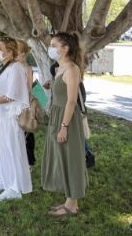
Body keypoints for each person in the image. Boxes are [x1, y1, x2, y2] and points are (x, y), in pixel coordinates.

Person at [41, 32, 88, 217]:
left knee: (71, 159)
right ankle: (69, 201)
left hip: (67, 119)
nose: (50, 48)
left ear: (65, 48)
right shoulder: (59, 68)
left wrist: (64, 126)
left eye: (54, 45)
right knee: (62, 157)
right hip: (57, 116)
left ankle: (73, 205)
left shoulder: (72, 69)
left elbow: (71, 101)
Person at [0, 37, 32, 201]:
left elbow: (12, 95)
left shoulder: (16, 68)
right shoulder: (4, 66)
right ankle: (4, 180)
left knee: (11, 150)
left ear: (10, 51)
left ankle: (15, 188)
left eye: (0, 48)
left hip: (9, 116)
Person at [16, 40, 35, 168]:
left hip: (23, 105)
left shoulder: (27, 69)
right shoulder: (10, 67)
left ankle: (28, 161)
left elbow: (28, 88)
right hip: (12, 105)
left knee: (26, 133)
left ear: (22, 54)